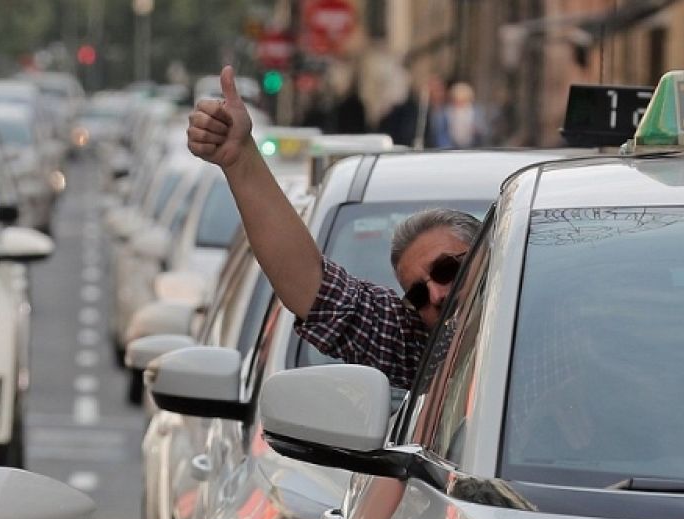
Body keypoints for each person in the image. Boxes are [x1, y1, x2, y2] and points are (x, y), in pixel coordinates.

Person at [186, 66, 480, 390]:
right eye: (418, 295)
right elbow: (312, 289)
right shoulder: (427, 354)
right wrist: (239, 158)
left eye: (447, 269)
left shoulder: (544, 321)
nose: (436, 295)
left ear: (488, 258)